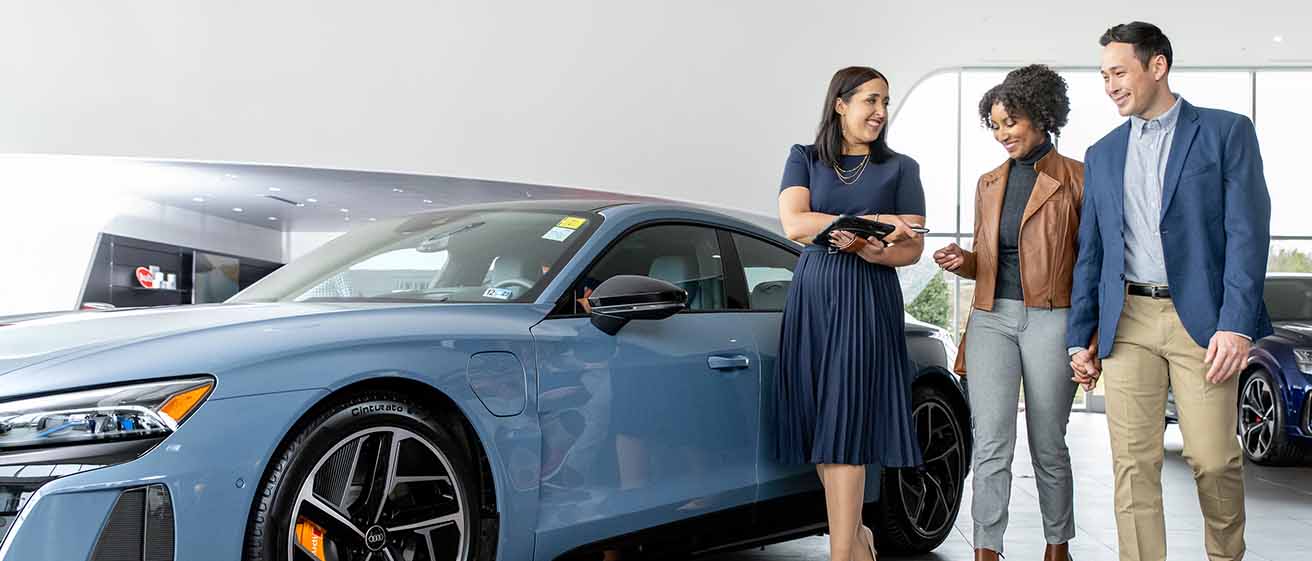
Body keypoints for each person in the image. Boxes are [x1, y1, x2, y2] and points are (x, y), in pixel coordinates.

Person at [1066, 22, 1272, 561]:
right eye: (1103, 75)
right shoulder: (1103, 152)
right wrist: (1080, 335)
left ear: (1157, 66)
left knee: (1213, 459)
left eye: (1118, 72)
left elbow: (1248, 233)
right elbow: (1093, 250)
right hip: (1128, 320)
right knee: (1133, 465)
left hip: (1202, 322)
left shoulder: (1226, 131)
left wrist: (1236, 323)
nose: (1109, 85)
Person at [775, 65, 926, 561]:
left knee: (845, 422)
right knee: (821, 420)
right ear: (840, 104)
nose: (880, 111)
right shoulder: (804, 158)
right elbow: (794, 223)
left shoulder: (901, 168)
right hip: (813, 296)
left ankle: (844, 551)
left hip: (867, 294)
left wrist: (872, 249)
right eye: (870, 100)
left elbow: (911, 246)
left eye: (885, 101)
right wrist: (878, 220)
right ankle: (857, 537)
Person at [933, 64, 1084, 561]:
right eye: (995, 125)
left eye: (1011, 122)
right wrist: (963, 261)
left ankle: (1057, 546)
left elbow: (1092, 263)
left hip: (1052, 317)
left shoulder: (1078, 179)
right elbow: (988, 260)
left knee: (1048, 444)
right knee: (991, 444)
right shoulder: (988, 182)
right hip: (991, 318)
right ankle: (986, 550)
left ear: (1041, 116)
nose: (1002, 134)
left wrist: (1090, 337)